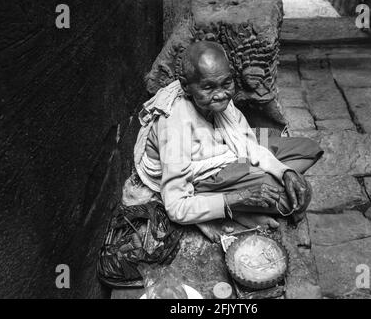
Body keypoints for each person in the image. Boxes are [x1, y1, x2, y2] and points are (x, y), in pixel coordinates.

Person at [131, 41, 323, 231]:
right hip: (202, 176)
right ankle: (228, 205)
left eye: (227, 83)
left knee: (308, 149)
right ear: (186, 86)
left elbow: (249, 144)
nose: (221, 94)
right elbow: (176, 208)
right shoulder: (175, 127)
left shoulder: (218, 97)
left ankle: (253, 182)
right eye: (208, 87)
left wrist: (285, 172)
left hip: (227, 154)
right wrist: (241, 197)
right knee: (288, 199)